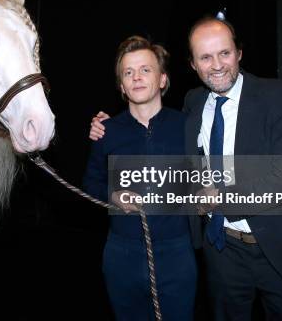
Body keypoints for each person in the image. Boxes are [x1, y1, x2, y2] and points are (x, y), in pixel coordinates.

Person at [89, 17, 282, 320]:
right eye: (205, 57)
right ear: (193, 65)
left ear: (239, 53)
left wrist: (218, 198)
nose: (216, 65)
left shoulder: (279, 97)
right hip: (220, 250)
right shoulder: (194, 104)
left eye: (224, 53)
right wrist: (103, 130)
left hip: (279, 248)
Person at [83, 36, 197, 321]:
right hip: (122, 253)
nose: (136, 77)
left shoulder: (188, 127)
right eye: (128, 72)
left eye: (145, 69)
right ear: (122, 86)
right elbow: (90, 183)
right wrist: (112, 195)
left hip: (177, 251)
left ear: (162, 80)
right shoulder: (106, 131)